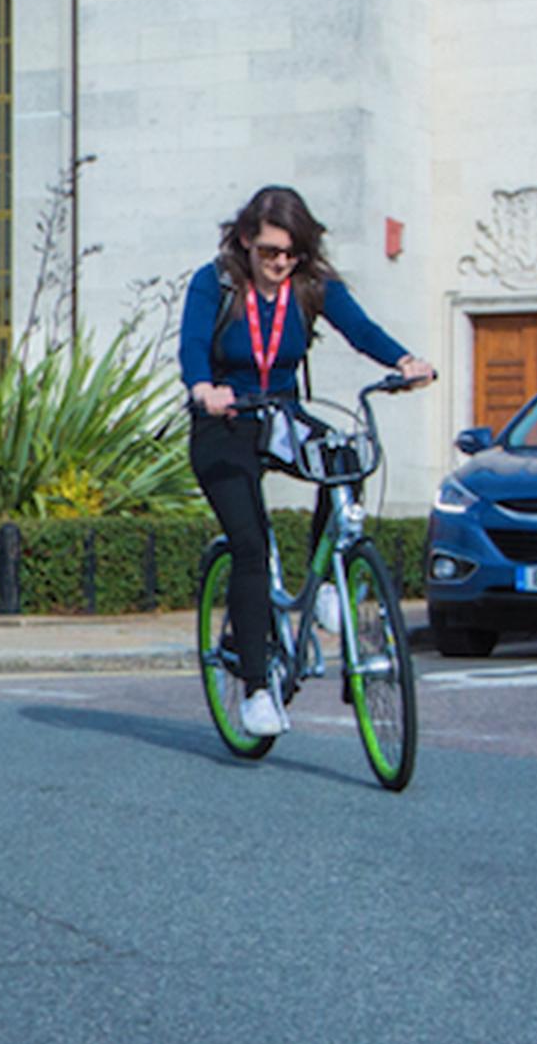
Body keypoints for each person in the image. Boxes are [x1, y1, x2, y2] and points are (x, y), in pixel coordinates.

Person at [181, 185, 433, 737]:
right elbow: (193, 346)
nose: (279, 264)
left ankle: (326, 587)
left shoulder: (310, 284)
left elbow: (360, 330)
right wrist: (204, 388)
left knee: (345, 455)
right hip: (224, 422)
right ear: (247, 239)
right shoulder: (216, 282)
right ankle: (254, 691)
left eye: (290, 254)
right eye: (270, 252)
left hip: (281, 417)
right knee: (249, 546)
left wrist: (405, 359)